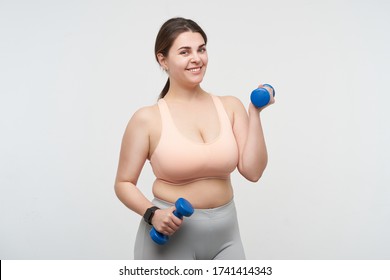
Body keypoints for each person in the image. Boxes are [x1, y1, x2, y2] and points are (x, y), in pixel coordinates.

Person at [114, 17, 275, 260]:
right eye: (184, 52)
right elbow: (123, 183)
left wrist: (254, 112)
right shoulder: (148, 119)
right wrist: (152, 213)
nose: (196, 58)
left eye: (201, 49)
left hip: (226, 236)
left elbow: (253, 172)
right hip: (170, 238)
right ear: (163, 59)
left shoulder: (230, 106)